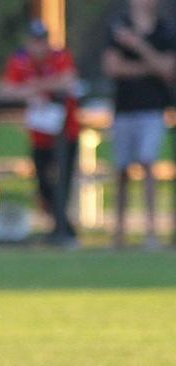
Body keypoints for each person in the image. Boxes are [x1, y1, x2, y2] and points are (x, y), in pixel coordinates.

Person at [0, 19, 81, 245]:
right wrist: (36, 90)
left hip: (66, 134)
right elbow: (5, 90)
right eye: (35, 41)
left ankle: (64, 230)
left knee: (63, 182)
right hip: (40, 135)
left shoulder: (60, 57)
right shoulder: (21, 60)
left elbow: (68, 81)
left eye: (42, 41)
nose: (39, 46)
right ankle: (61, 228)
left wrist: (35, 87)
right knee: (44, 184)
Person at [102, 0, 176, 249]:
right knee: (122, 170)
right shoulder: (119, 26)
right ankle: (119, 234)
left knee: (148, 164)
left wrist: (138, 46)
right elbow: (112, 67)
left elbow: (168, 69)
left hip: (153, 110)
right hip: (124, 109)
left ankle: (151, 233)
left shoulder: (165, 31)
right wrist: (150, 67)